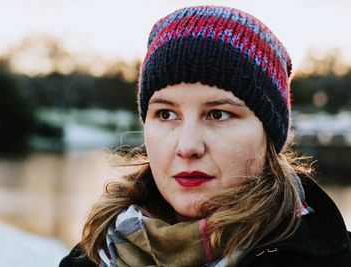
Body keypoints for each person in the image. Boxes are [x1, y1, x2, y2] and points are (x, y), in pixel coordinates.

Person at [59, 5, 351, 267]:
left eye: (218, 114)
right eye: (166, 114)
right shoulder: (92, 257)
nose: (188, 146)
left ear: (268, 135)